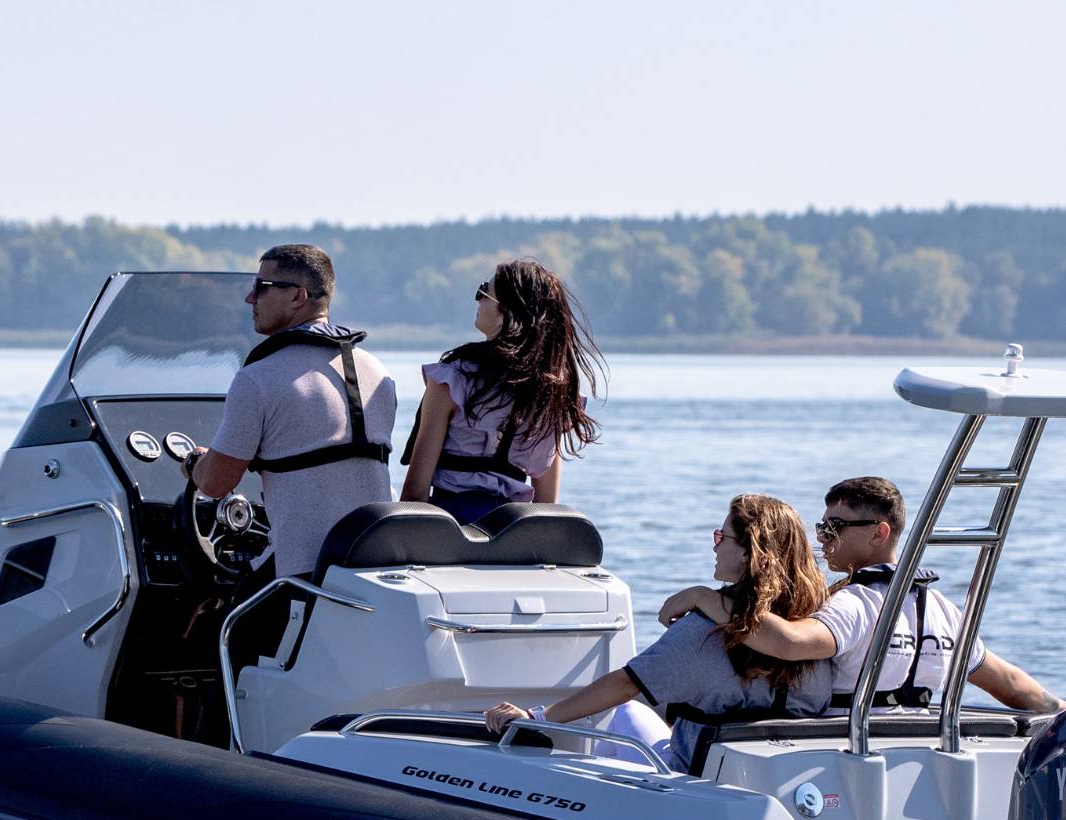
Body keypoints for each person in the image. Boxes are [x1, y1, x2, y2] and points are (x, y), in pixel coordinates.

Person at [656, 476, 1066, 714]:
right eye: (821, 527)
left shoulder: (853, 603)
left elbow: (787, 643)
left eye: (835, 527)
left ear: (879, 533)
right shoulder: (943, 610)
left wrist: (703, 598)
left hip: (841, 755)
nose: (822, 537)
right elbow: (1013, 686)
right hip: (914, 750)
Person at [484, 494, 832, 774]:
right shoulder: (819, 626)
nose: (714, 546)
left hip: (694, 776)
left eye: (721, 537)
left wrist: (538, 718)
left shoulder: (702, 633)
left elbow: (625, 685)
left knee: (626, 714)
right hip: (787, 774)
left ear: (747, 553)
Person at [183, 244, 396, 580]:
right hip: (377, 565)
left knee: (213, 618)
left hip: (302, 571)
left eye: (261, 289)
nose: (250, 299)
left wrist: (194, 462)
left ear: (298, 297)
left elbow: (215, 482)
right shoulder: (379, 373)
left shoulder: (258, 378)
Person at [397, 259, 602, 523]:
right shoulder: (552, 395)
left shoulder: (451, 379)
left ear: (508, 311)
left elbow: (415, 493)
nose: (478, 299)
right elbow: (546, 505)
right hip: (513, 531)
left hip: (448, 528)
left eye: (485, 291)